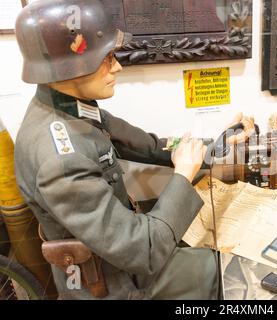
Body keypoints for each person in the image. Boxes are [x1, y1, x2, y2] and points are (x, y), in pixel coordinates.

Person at [14, 0, 254, 300]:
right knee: (219, 269)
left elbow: (147, 146)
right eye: (105, 57)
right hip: (114, 286)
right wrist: (182, 176)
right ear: (70, 66)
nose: (117, 65)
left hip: (120, 256)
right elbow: (145, 252)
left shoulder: (66, 106)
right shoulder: (60, 159)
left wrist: (216, 144)